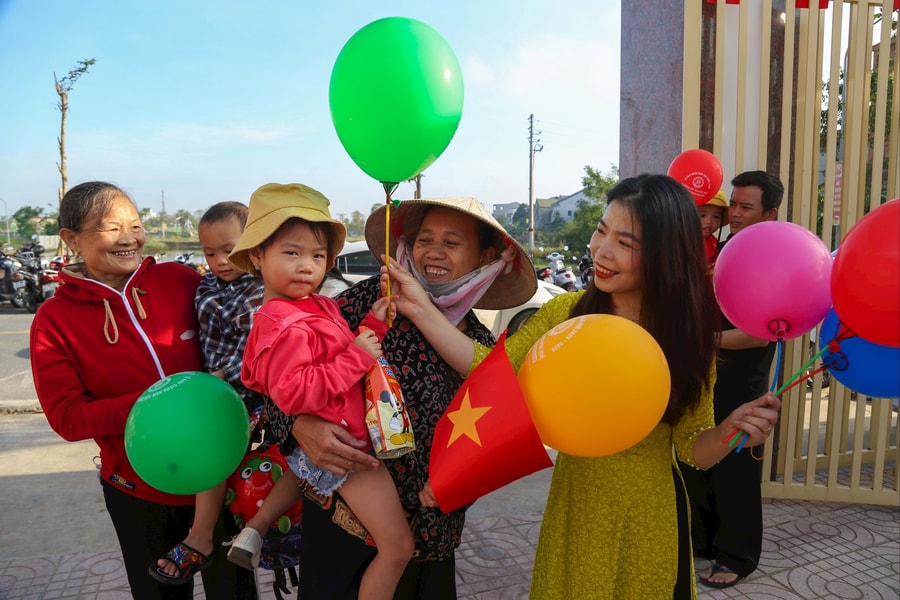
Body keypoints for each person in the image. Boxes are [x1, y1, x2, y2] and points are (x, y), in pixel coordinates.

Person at [384, 175, 782, 599]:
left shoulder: (689, 335)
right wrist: (420, 307)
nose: (601, 251)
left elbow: (689, 447)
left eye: (625, 243)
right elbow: (489, 371)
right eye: (601, 230)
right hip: (577, 505)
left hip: (648, 516)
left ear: (665, 256)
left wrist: (728, 432)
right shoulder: (566, 314)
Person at [291, 196, 539, 599]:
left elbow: (494, 444)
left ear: (485, 256)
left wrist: (456, 488)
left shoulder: (477, 346)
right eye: (425, 239)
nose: (434, 253)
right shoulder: (360, 303)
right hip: (340, 526)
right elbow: (280, 377)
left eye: (452, 242)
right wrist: (301, 426)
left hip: (430, 542)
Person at [29, 181, 256, 599]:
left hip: (221, 476)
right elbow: (68, 418)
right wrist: (162, 407)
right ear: (71, 239)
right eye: (112, 228)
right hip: (137, 492)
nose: (130, 238)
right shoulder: (54, 319)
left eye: (135, 225)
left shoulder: (183, 280)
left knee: (236, 593)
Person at [225, 182, 414, 598]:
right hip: (346, 449)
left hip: (339, 435)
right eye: (291, 253)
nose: (307, 266)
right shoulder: (282, 324)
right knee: (398, 548)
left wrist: (374, 325)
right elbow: (293, 395)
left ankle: (256, 530)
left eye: (317, 255)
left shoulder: (315, 304)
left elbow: (338, 348)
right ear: (257, 255)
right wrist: (358, 357)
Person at [680, 169, 784, 588]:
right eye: (732, 206)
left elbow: (760, 336)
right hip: (703, 375)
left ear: (770, 213)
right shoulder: (719, 250)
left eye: (746, 207)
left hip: (742, 380)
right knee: (697, 458)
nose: (734, 215)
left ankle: (738, 556)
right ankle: (704, 541)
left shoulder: (772, 258)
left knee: (735, 469)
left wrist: (702, 339)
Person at [152, 201, 265, 583]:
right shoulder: (206, 284)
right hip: (215, 389)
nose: (220, 260)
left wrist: (221, 378)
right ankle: (203, 535)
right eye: (209, 253)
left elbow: (259, 351)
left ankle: (251, 529)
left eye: (229, 250)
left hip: (252, 390)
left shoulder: (261, 291)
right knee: (208, 453)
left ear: (254, 244)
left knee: (226, 450)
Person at [699, 189, 727, 269]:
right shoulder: (681, 241)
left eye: (716, 217)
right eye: (702, 215)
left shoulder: (714, 243)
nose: (709, 221)